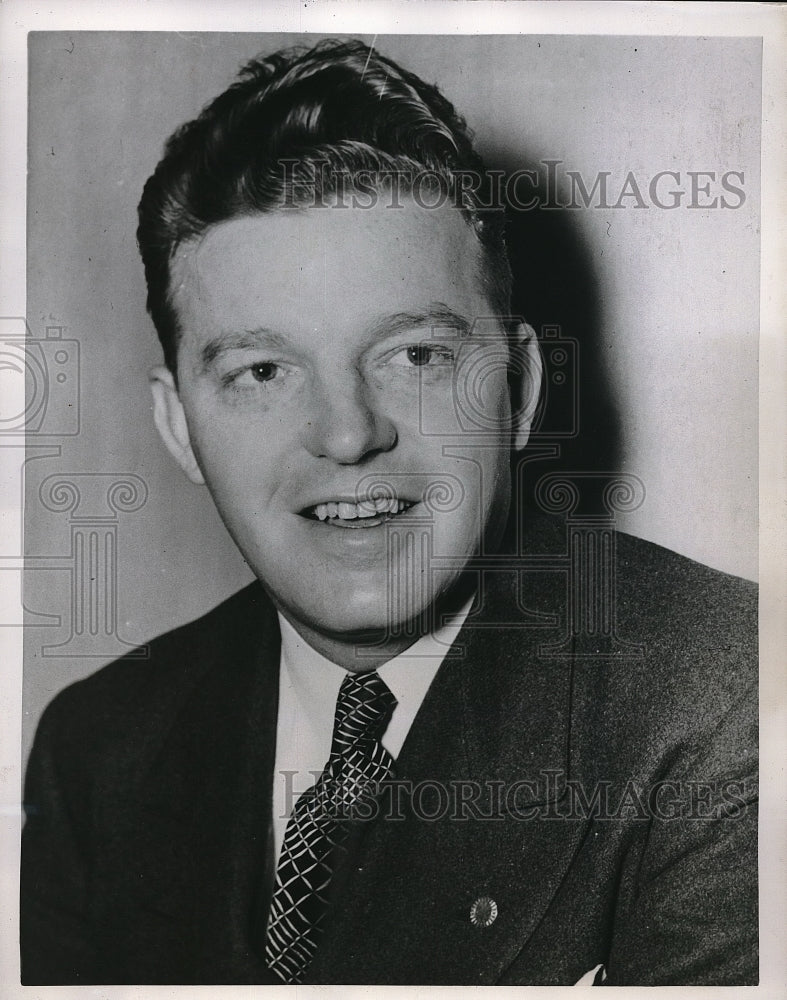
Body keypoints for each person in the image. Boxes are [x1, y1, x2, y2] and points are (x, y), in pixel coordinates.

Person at [20, 39, 757, 986]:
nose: (344, 434)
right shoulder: (99, 750)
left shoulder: (726, 701)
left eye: (414, 355)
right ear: (178, 424)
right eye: (262, 372)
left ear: (520, 389)